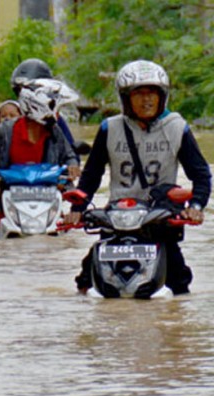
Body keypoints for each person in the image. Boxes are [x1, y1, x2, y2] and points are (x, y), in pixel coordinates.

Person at [63, 60, 211, 295]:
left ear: (162, 96)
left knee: (178, 282)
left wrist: (195, 206)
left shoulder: (177, 127)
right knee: (86, 281)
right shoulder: (108, 128)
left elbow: (201, 175)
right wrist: (77, 208)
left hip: (159, 219)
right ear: (125, 98)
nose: (146, 100)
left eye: (152, 93)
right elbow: (91, 175)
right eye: (139, 93)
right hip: (116, 219)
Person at [0, 79, 81, 234]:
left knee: (65, 232)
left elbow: (68, 155)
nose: (57, 114)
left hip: (48, 198)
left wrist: (73, 166)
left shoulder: (54, 131)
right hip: (11, 197)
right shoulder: (6, 130)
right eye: (54, 108)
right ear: (38, 107)